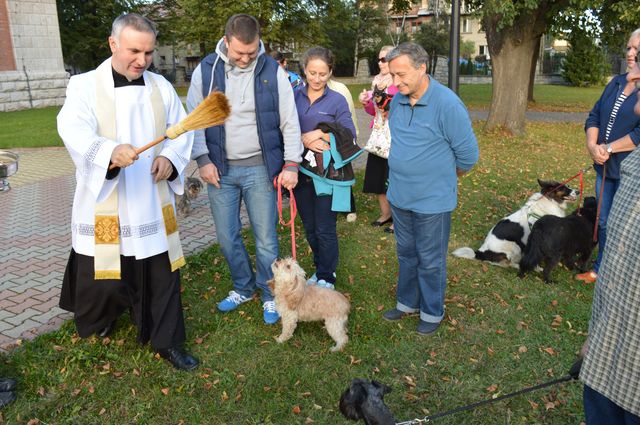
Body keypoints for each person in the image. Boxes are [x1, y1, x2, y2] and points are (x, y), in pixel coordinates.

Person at [57, 13, 198, 370]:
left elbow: (180, 129)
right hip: (106, 200)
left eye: (149, 53)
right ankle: (98, 322)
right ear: (113, 44)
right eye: (135, 51)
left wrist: (169, 157)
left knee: (161, 272)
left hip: (150, 198)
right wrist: (108, 153)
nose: (143, 60)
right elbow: (72, 128)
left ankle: (168, 341)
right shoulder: (85, 86)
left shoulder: (160, 87)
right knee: (102, 272)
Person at [187, 14, 303, 324]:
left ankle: (269, 294)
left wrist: (291, 163)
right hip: (219, 171)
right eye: (239, 52)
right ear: (226, 41)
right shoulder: (207, 70)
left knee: (266, 239)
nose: (245, 58)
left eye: (251, 52)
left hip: (261, 170)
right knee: (227, 237)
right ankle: (242, 286)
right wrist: (203, 160)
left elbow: (289, 120)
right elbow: (195, 120)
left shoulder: (271, 70)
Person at [382, 43, 479, 335]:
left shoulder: (447, 104)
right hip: (400, 196)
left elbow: (468, 156)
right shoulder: (399, 100)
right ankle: (407, 302)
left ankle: (432, 311)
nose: (395, 82)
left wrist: (440, 178)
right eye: (392, 75)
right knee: (406, 253)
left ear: (422, 68)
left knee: (431, 259)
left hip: (432, 202)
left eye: (401, 74)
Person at [579, 58, 640, 425]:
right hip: (606, 364)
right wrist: (596, 336)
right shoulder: (634, 166)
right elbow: (618, 265)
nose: (633, 73)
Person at [576, 28, 640, 284]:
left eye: (637, 49)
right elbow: (594, 116)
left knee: (626, 228)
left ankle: (623, 276)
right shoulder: (615, 82)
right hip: (605, 168)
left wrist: (610, 147)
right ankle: (601, 268)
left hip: (630, 172)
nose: (631, 54)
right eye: (629, 48)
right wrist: (594, 146)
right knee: (604, 221)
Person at [294, 47, 359, 290]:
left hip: (327, 176)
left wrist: (320, 132)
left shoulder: (337, 100)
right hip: (300, 172)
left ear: (330, 72)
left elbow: (349, 132)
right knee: (310, 226)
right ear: (305, 71)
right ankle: (319, 267)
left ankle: (327, 276)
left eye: (323, 73)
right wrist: (301, 138)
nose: (317, 79)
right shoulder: (294, 96)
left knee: (324, 227)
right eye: (312, 73)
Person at [358, 45, 398, 233]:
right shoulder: (377, 81)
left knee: (395, 180)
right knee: (379, 178)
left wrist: (385, 103)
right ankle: (386, 214)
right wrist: (367, 103)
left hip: (395, 138)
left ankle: (398, 221)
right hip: (378, 137)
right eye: (379, 59)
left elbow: (396, 110)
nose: (380, 62)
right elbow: (374, 112)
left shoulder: (398, 82)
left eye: (384, 59)